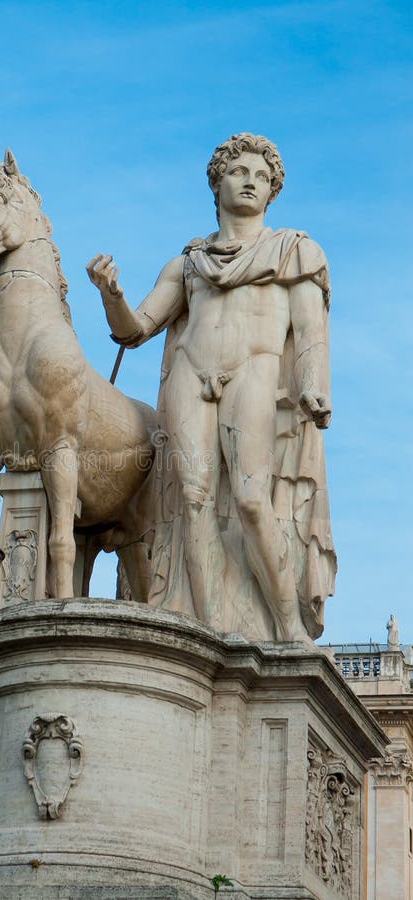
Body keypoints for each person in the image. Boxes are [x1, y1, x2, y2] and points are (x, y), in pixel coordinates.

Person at [87, 133, 335, 641]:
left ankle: (288, 627)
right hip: (190, 374)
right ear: (217, 183)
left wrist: (313, 385)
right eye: (239, 172)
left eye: (262, 177)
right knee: (193, 500)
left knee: (251, 499)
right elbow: (135, 329)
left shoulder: (295, 252)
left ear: (272, 191)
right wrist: (112, 296)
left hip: (255, 372)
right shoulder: (189, 263)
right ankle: (211, 628)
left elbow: (311, 331)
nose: (251, 182)